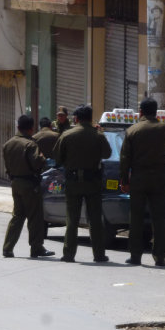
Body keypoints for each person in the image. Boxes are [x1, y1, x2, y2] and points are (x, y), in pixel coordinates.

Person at [53, 105, 112, 263]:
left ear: (76, 118)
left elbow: (57, 158)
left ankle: (68, 254)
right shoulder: (98, 135)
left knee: (72, 219)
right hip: (93, 181)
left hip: (73, 181)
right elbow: (107, 153)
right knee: (95, 220)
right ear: (91, 118)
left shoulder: (67, 135)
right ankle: (99, 255)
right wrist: (100, 133)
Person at [120, 98, 165, 266]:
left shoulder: (132, 130)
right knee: (158, 218)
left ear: (140, 111)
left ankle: (135, 256)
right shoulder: (163, 129)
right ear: (156, 112)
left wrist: (124, 180)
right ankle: (160, 256)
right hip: (158, 177)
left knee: (136, 218)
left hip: (139, 177)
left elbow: (125, 158)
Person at [2, 115, 55, 258]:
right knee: (35, 216)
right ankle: (36, 247)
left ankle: (7, 248)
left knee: (17, 216)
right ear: (31, 129)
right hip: (30, 184)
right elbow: (38, 163)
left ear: (18, 127)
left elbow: (7, 166)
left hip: (15, 183)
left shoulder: (8, 144)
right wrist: (43, 157)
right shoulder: (30, 145)